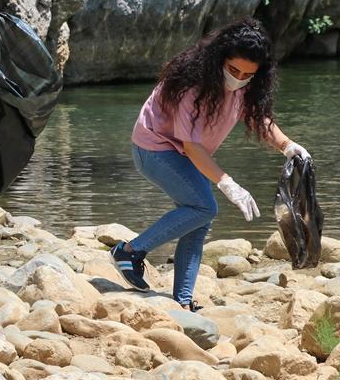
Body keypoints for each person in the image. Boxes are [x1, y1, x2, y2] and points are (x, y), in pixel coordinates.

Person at [111, 18, 311, 311]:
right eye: (233, 70)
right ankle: (129, 252)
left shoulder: (246, 86)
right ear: (220, 59)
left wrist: (287, 146)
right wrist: (227, 182)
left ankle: (182, 301)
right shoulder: (192, 85)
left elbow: (259, 119)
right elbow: (191, 146)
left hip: (187, 152)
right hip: (154, 148)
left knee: (200, 217)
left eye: (247, 74)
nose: (239, 78)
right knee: (205, 206)